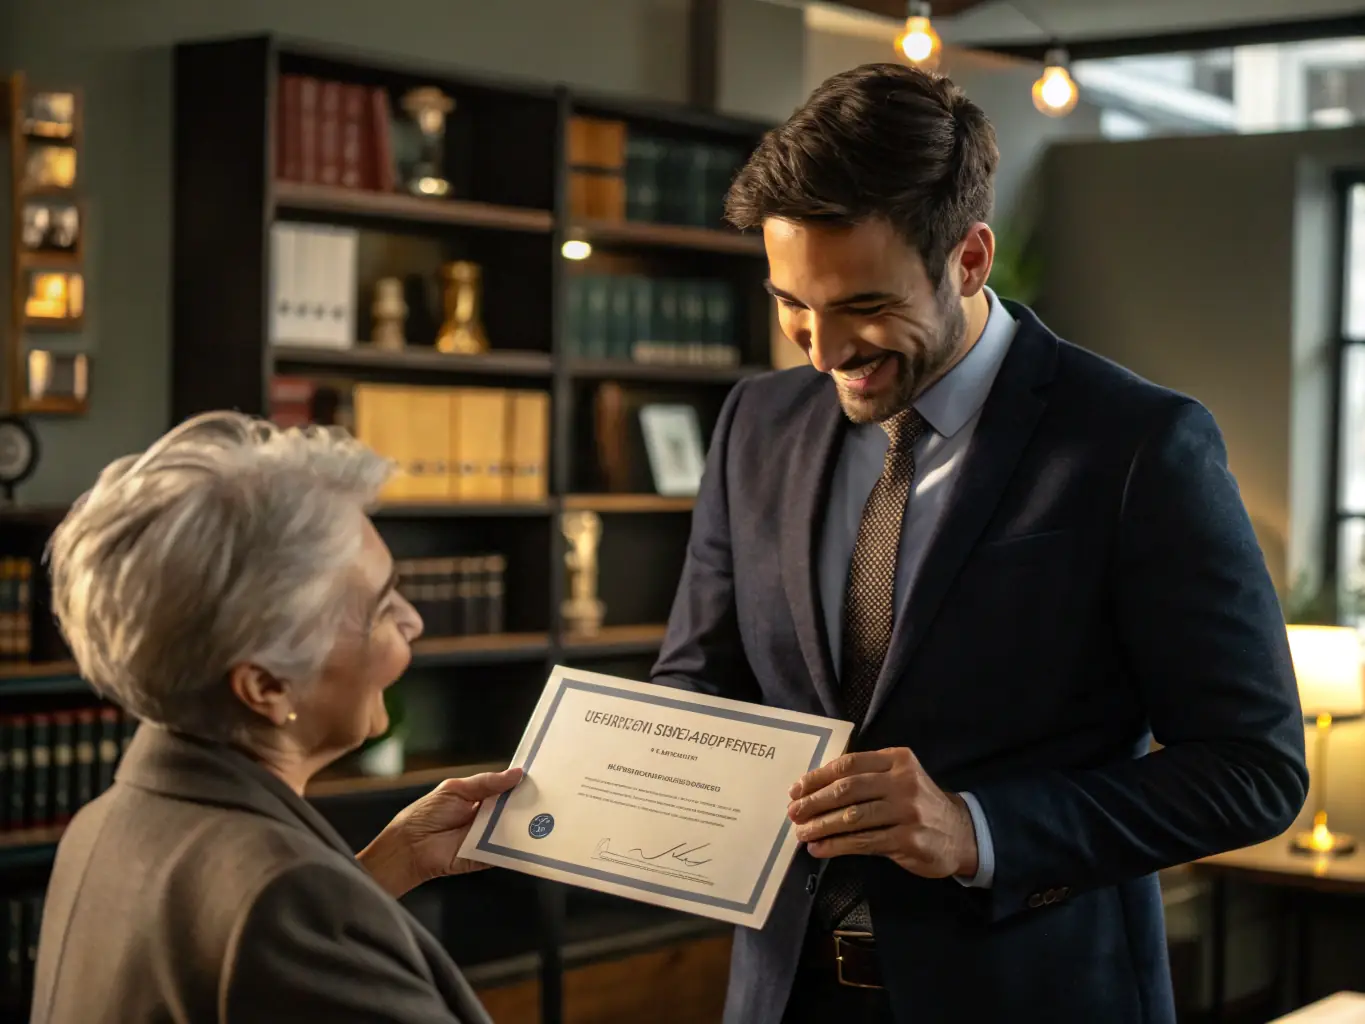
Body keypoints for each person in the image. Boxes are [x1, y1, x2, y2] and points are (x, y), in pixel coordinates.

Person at [652, 63, 1308, 1024]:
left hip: (1035, 993)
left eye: (863, 306)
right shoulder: (755, 421)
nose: (821, 350)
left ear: (968, 259)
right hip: (781, 995)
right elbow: (698, 683)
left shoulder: (1138, 446)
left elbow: (1253, 771)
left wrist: (976, 830)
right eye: (792, 301)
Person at [31, 412, 522, 1024]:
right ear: (265, 685)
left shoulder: (106, 820)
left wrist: (385, 865)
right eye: (383, 606)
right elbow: (264, 924)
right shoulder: (288, 903)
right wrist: (329, 901)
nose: (414, 622)